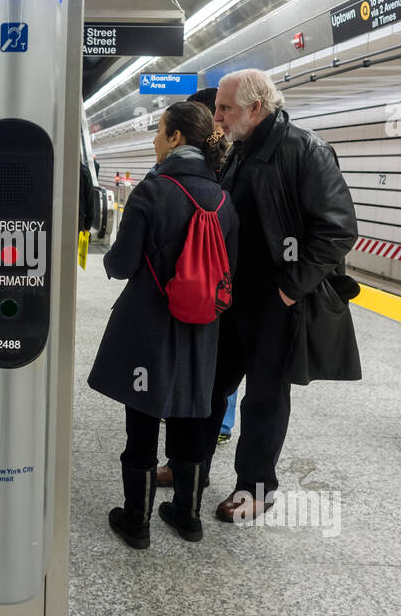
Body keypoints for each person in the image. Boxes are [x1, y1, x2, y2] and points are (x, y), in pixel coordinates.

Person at [207, 69, 360, 523]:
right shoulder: (240, 150)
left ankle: (255, 489)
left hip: (274, 301)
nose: (217, 116)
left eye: (225, 108)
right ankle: (185, 464)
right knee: (211, 385)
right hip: (231, 296)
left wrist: (290, 289)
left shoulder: (304, 150)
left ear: (256, 108)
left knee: (264, 398)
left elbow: (337, 229)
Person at [88, 101, 238, 547]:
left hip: (150, 323)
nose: (155, 139)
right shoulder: (225, 199)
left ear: (175, 139)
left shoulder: (153, 190)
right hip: (203, 327)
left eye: (158, 131)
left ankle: (137, 522)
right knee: (193, 410)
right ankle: (187, 516)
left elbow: (120, 263)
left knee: (143, 417)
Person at [155, 86, 224, 487]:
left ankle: (139, 511)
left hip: (171, 305)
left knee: (167, 395)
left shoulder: (158, 186)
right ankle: (189, 500)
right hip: (213, 304)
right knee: (201, 394)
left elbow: (124, 261)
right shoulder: (221, 190)